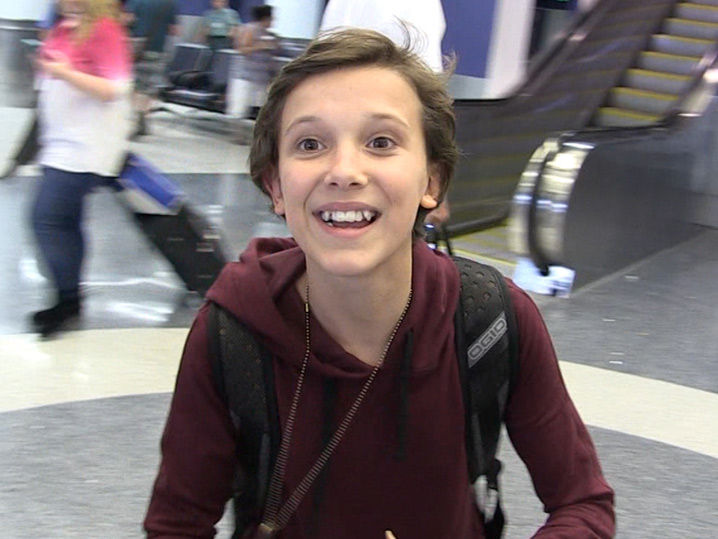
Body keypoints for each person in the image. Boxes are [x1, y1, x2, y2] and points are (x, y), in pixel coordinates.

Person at [144, 29, 615, 538]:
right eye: (310, 144)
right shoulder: (232, 330)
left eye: (381, 142)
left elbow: (582, 502)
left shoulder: (491, 319)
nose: (344, 171)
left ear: (431, 181)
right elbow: (177, 525)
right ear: (275, 185)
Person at [31, 0, 132, 337]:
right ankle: (69, 297)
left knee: (46, 219)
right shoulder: (64, 26)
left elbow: (115, 88)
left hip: (84, 148)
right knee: (64, 222)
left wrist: (63, 72)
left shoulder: (105, 29)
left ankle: (67, 298)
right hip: (60, 144)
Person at [123, 0, 178, 137]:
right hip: (158, 50)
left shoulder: (136, 1)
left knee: (134, 85)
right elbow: (174, 30)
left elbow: (127, 19)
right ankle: (143, 114)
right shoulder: (170, 3)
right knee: (149, 87)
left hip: (137, 49)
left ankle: (135, 116)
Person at [227, 4, 278, 121]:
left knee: (260, 114)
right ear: (266, 18)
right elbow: (242, 49)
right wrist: (260, 46)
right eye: (272, 18)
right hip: (245, 78)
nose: (273, 21)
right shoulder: (249, 29)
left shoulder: (269, 35)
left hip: (261, 79)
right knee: (238, 113)